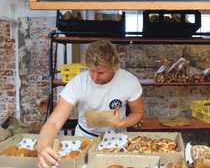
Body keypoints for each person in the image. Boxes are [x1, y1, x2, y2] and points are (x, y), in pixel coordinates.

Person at [36, 40, 144, 168]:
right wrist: (43, 146)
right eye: (91, 71)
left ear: (114, 67)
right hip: (85, 137)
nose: (94, 77)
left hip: (117, 138)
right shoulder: (78, 83)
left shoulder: (129, 82)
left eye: (101, 73)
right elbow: (54, 122)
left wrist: (121, 123)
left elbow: (138, 113)